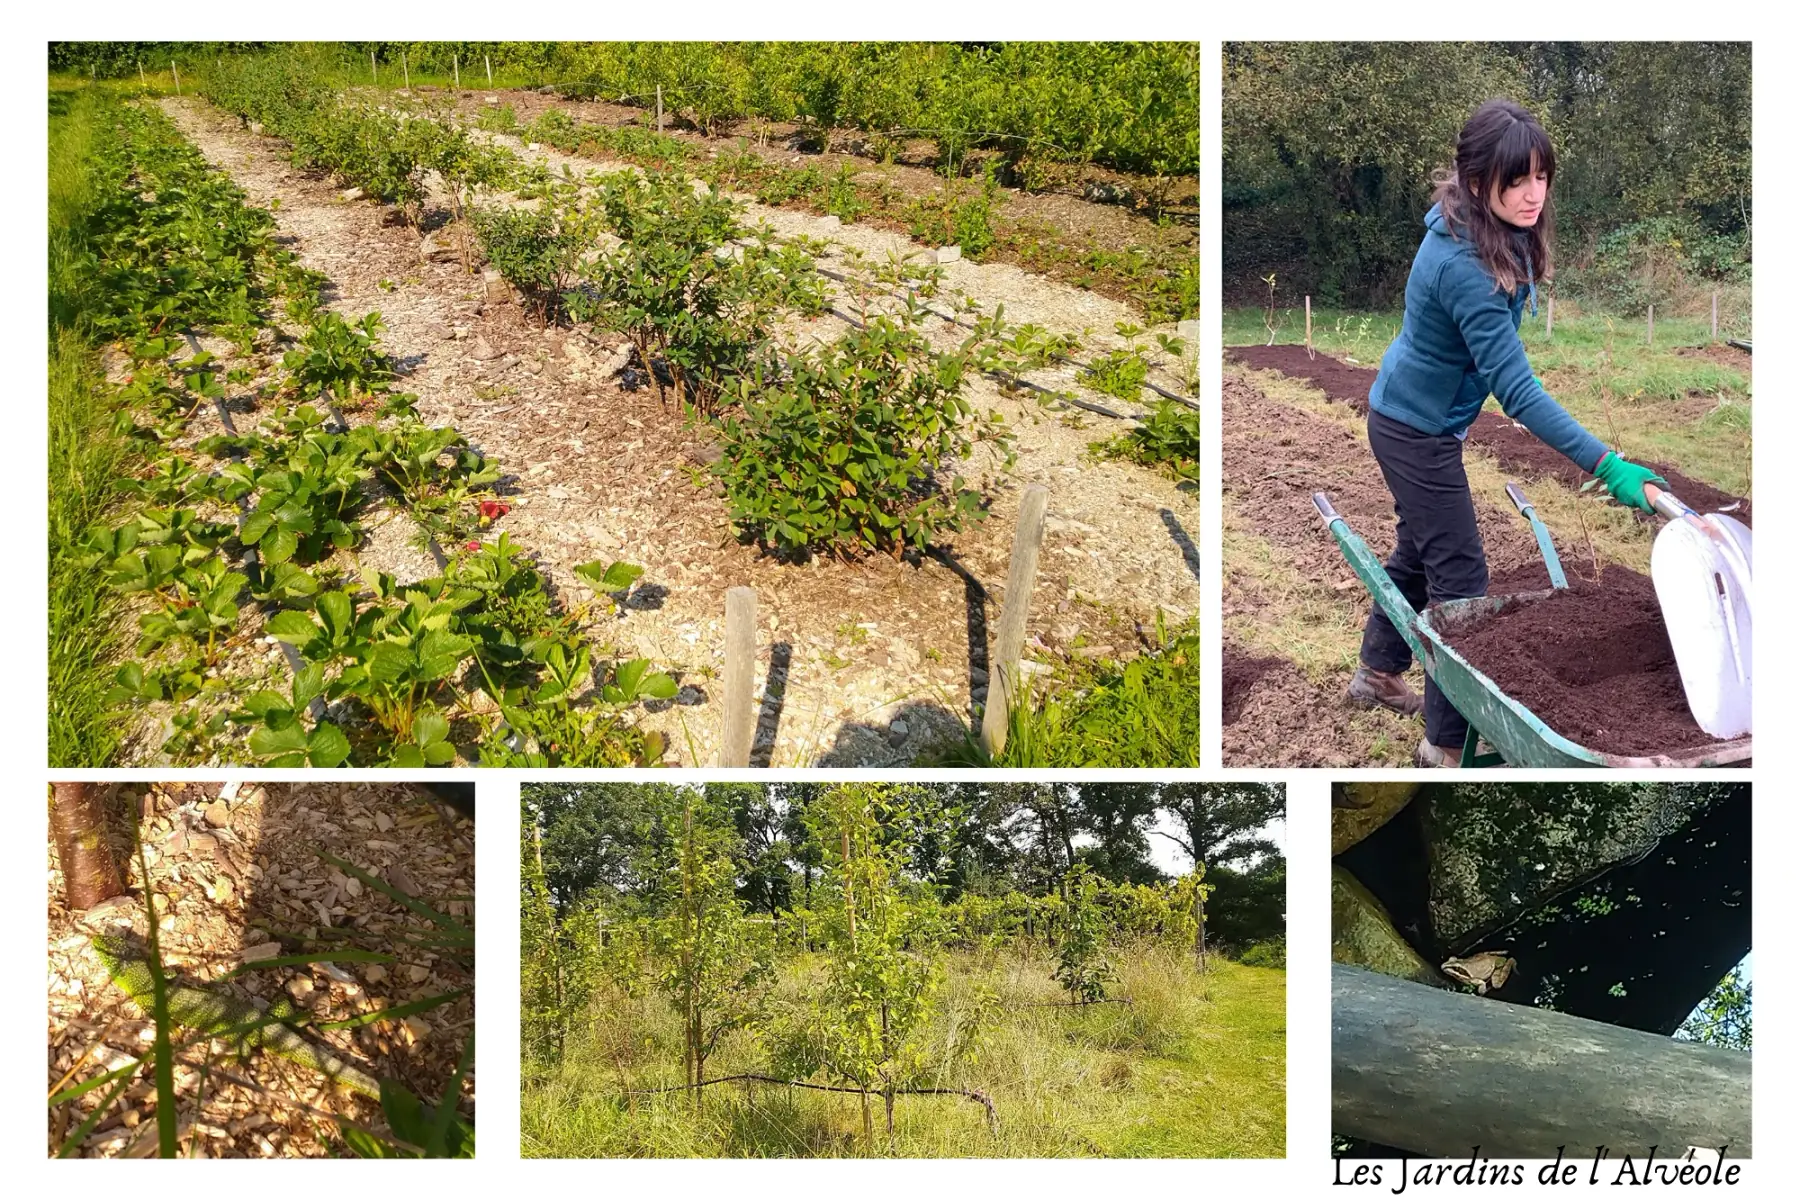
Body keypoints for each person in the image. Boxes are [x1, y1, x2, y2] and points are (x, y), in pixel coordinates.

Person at [1346, 98, 1668, 767]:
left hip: (1417, 417)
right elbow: (1517, 392)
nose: (1532, 194)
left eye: (1541, 177)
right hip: (1414, 430)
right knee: (1461, 576)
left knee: (1421, 551)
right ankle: (1445, 744)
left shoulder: (1482, 229)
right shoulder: (1465, 268)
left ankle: (1377, 672)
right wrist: (1608, 464)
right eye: (1515, 180)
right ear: (1476, 182)